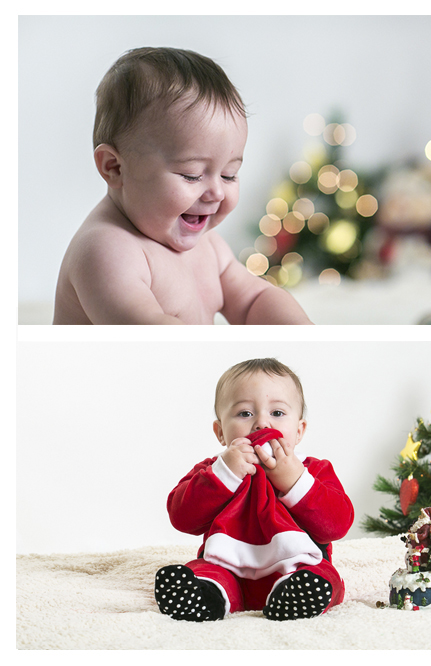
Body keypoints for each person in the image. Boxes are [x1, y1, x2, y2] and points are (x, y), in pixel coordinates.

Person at [54, 47, 312, 324]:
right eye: (191, 175)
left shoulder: (209, 246)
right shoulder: (106, 250)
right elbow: (152, 343)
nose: (217, 192)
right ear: (114, 167)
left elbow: (253, 301)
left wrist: (296, 329)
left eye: (229, 174)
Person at [155, 358, 353, 621]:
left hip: (297, 566)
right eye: (245, 413)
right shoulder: (214, 470)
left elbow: (337, 525)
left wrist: (294, 480)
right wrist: (225, 473)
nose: (262, 424)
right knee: (205, 572)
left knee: (324, 576)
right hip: (227, 566)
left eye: (277, 413)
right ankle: (204, 596)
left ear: (299, 430)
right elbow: (182, 518)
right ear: (221, 432)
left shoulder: (312, 470)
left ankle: (293, 597)